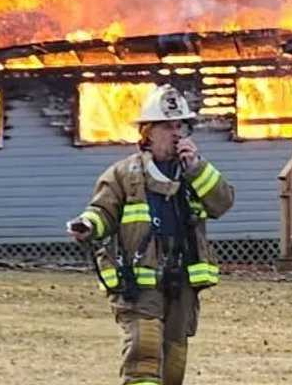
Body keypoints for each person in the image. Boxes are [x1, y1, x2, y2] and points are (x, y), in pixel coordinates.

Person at [67, 84, 235, 385]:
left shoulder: (193, 173)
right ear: (148, 132)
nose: (176, 133)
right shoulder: (123, 174)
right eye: (168, 126)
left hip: (181, 280)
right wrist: (87, 226)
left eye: (180, 125)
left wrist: (197, 168)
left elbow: (221, 203)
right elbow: (102, 211)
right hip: (139, 281)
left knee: (174, 357)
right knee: (144, 352)